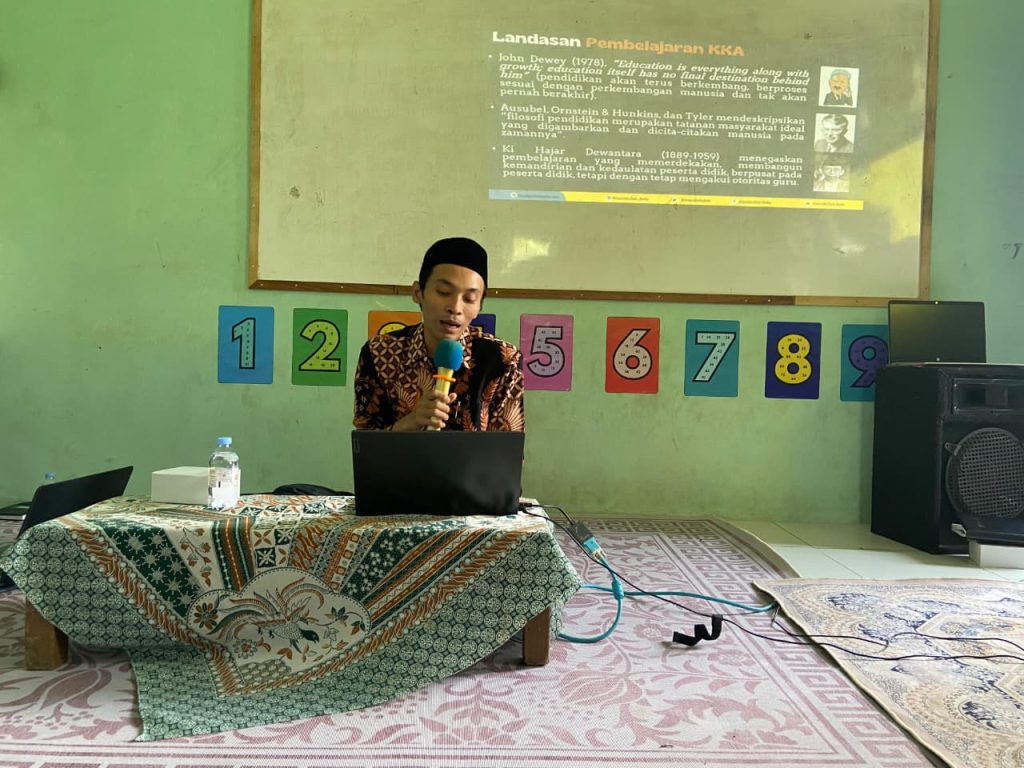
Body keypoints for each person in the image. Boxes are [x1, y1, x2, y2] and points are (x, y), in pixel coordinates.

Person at [353, 237, 525, 432]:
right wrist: (411, 422)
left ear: (479, 307)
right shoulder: (379, 353)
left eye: (470, 298)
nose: (455, 308)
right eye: (443, 292)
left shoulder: (503, 360)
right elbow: (366, 444)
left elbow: (506, 447)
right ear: (418, 293)